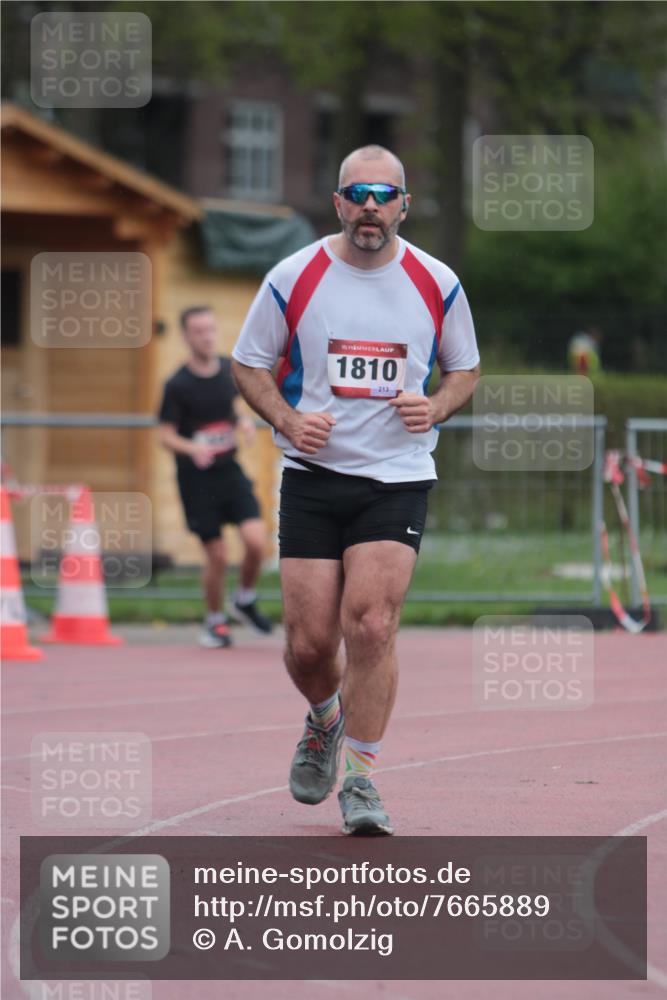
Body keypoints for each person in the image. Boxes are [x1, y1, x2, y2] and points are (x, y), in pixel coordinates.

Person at [231, 145, 480, 834]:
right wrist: (284, 418)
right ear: (338, 202)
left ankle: (363, 780)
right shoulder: (293, 275)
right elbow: (246, 363)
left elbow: (464, 370)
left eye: (384, 193)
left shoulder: (437, 282)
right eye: (356, 193)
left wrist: (434, 407)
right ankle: (323, 721)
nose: (370, 205)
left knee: (371, 625)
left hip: (395, 479)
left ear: (404, 204)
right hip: (313, 477)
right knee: (310, 647)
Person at [158, 306, 272, 648]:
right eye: (198, 331)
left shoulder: (227, 369)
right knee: (218, 554)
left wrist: (243, 422)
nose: (207, 336)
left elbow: (234, 405)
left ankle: (245, 598)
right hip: (197, 480)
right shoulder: (177, 384)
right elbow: (165, 435)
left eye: (210, 329)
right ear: (186, 336)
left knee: (256, 540)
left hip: (229, 472)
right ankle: (214, 621)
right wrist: (192, 448)